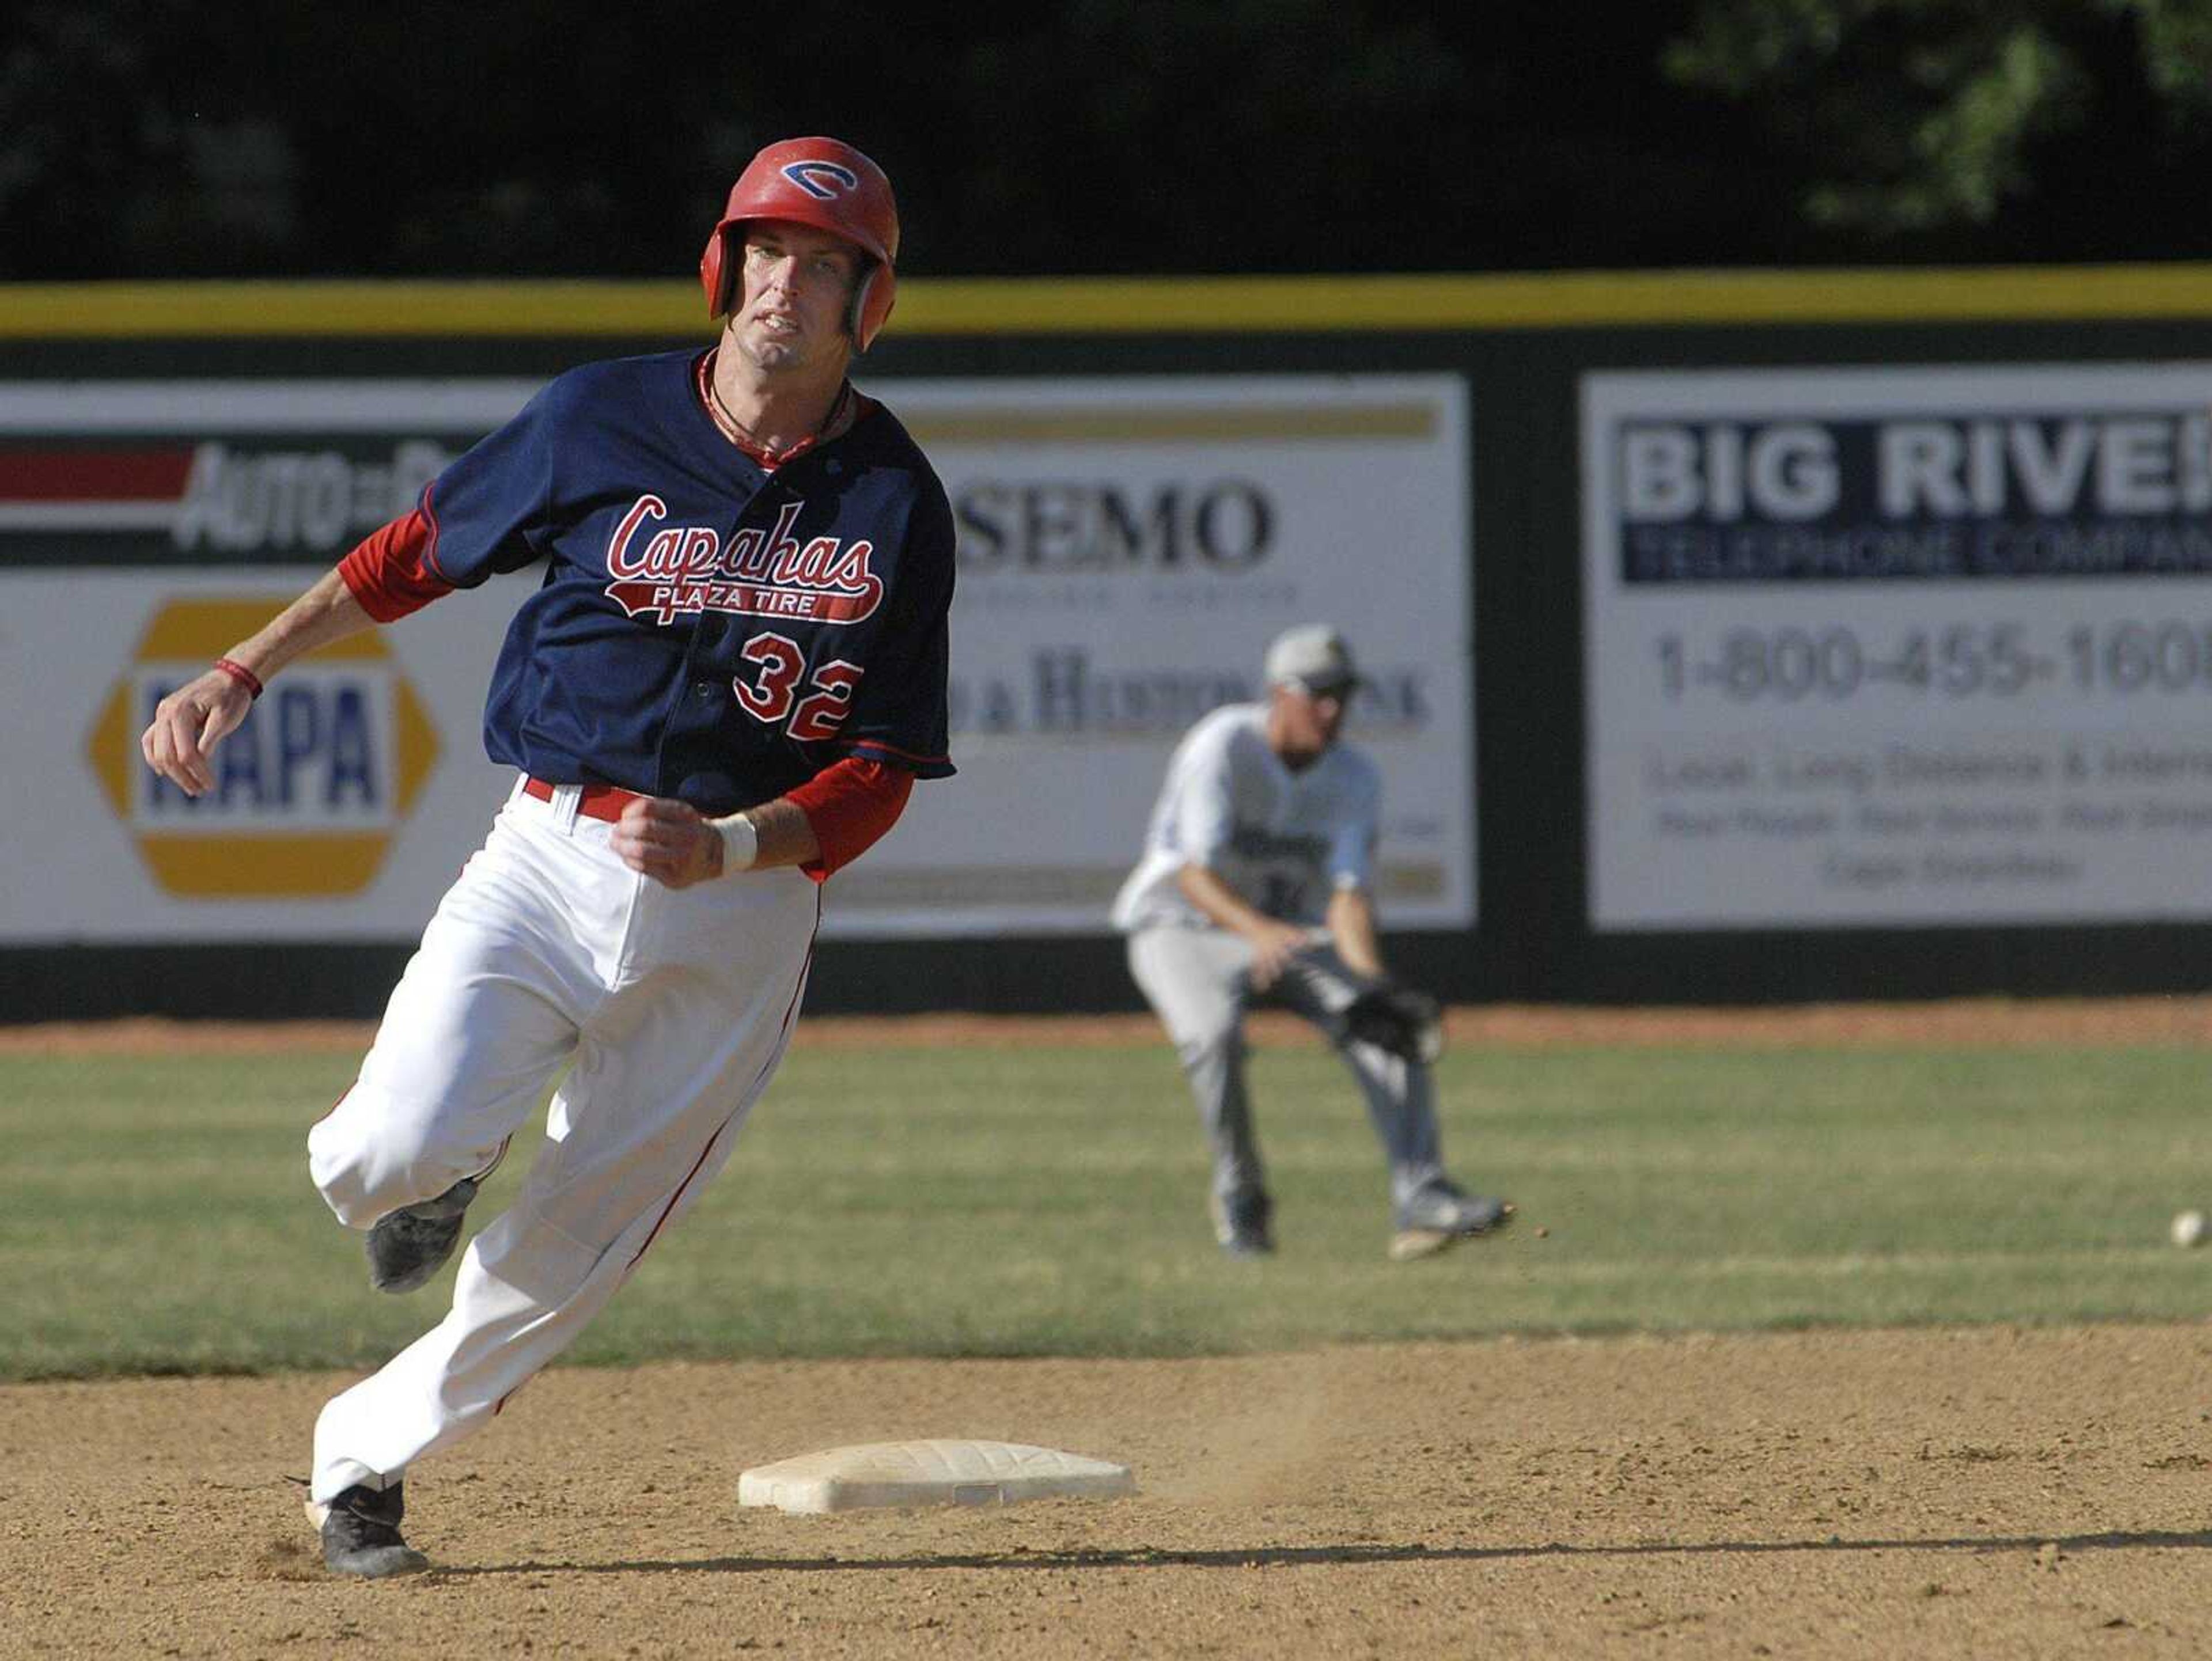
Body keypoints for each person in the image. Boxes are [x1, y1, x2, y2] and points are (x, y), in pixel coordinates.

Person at [138, 137, 953, 1578]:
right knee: (380, 1154)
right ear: (723, 268)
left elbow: (880, 771)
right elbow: (414, 555)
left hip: (740, 909)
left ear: (864, 302)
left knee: (571, 1248)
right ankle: (431, 1181)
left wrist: (739, 843)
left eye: (824, 264)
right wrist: (242, 669)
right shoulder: (599, 420)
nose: (785, 285)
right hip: (548, 854)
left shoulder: (894, 500)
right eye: (765, 250)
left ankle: (362, 1470)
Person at [1111, 624, 1512, 1262]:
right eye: (1317, 693)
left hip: (1285, 934)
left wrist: (1372, 982)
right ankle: (1241, 1196)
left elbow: (1349, 896)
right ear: (1279, 692)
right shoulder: (1225, 744)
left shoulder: (1355, 776)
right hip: (1179, 927)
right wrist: (1261, 931)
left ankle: (1422, 1195)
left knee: (1387, 1022)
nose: (1332, 709)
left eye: (1342, 694)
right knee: (1212, 1035)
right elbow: (1194, 874)